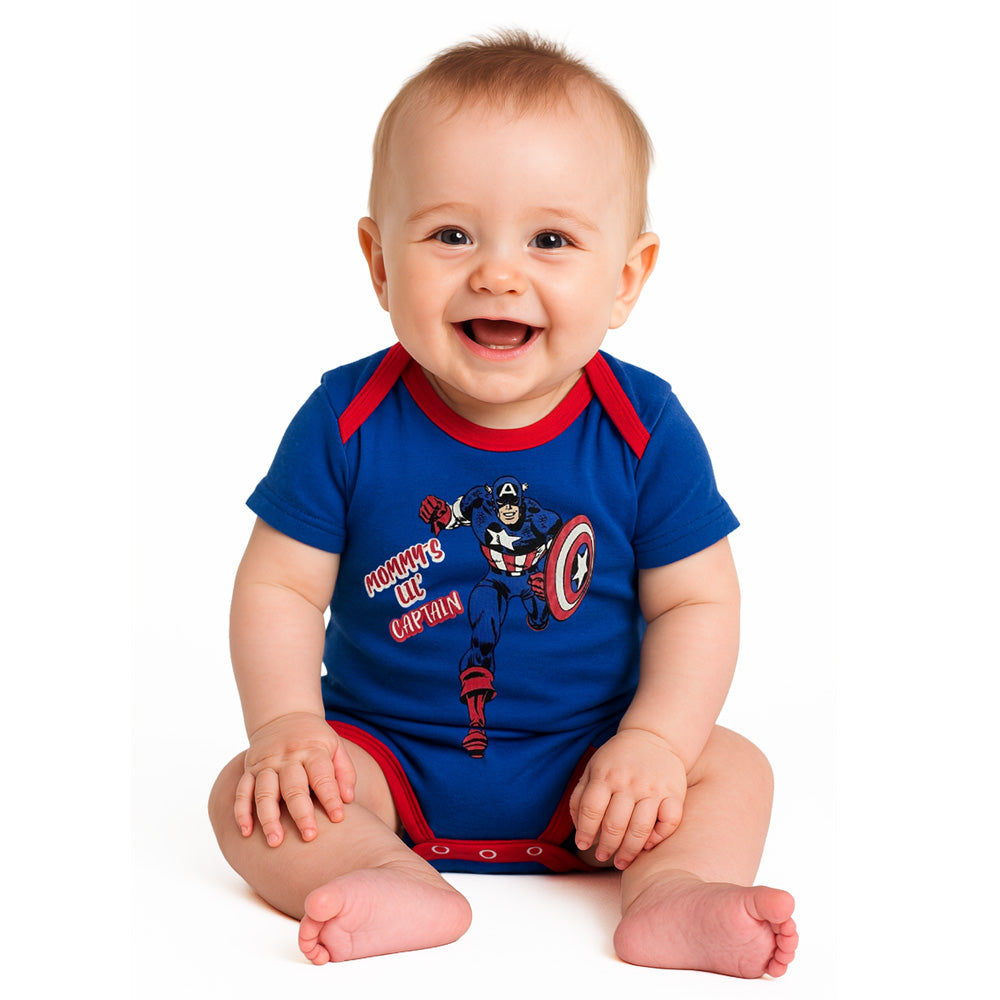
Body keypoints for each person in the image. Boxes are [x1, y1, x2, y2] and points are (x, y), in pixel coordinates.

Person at [208, 29, 797, 978]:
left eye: (550, 240)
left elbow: (696, 601)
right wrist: (287, 729)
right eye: (451, 235)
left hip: (596, 768)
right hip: (384, 760)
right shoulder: (345, 420)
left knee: (731, 766)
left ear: (626, 279)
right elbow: (280, 586)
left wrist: (654, 742)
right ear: (378, 263)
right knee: (249, 792)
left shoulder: (642, 427)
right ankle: (384, 872)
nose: (497, 273)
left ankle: (671, 891)